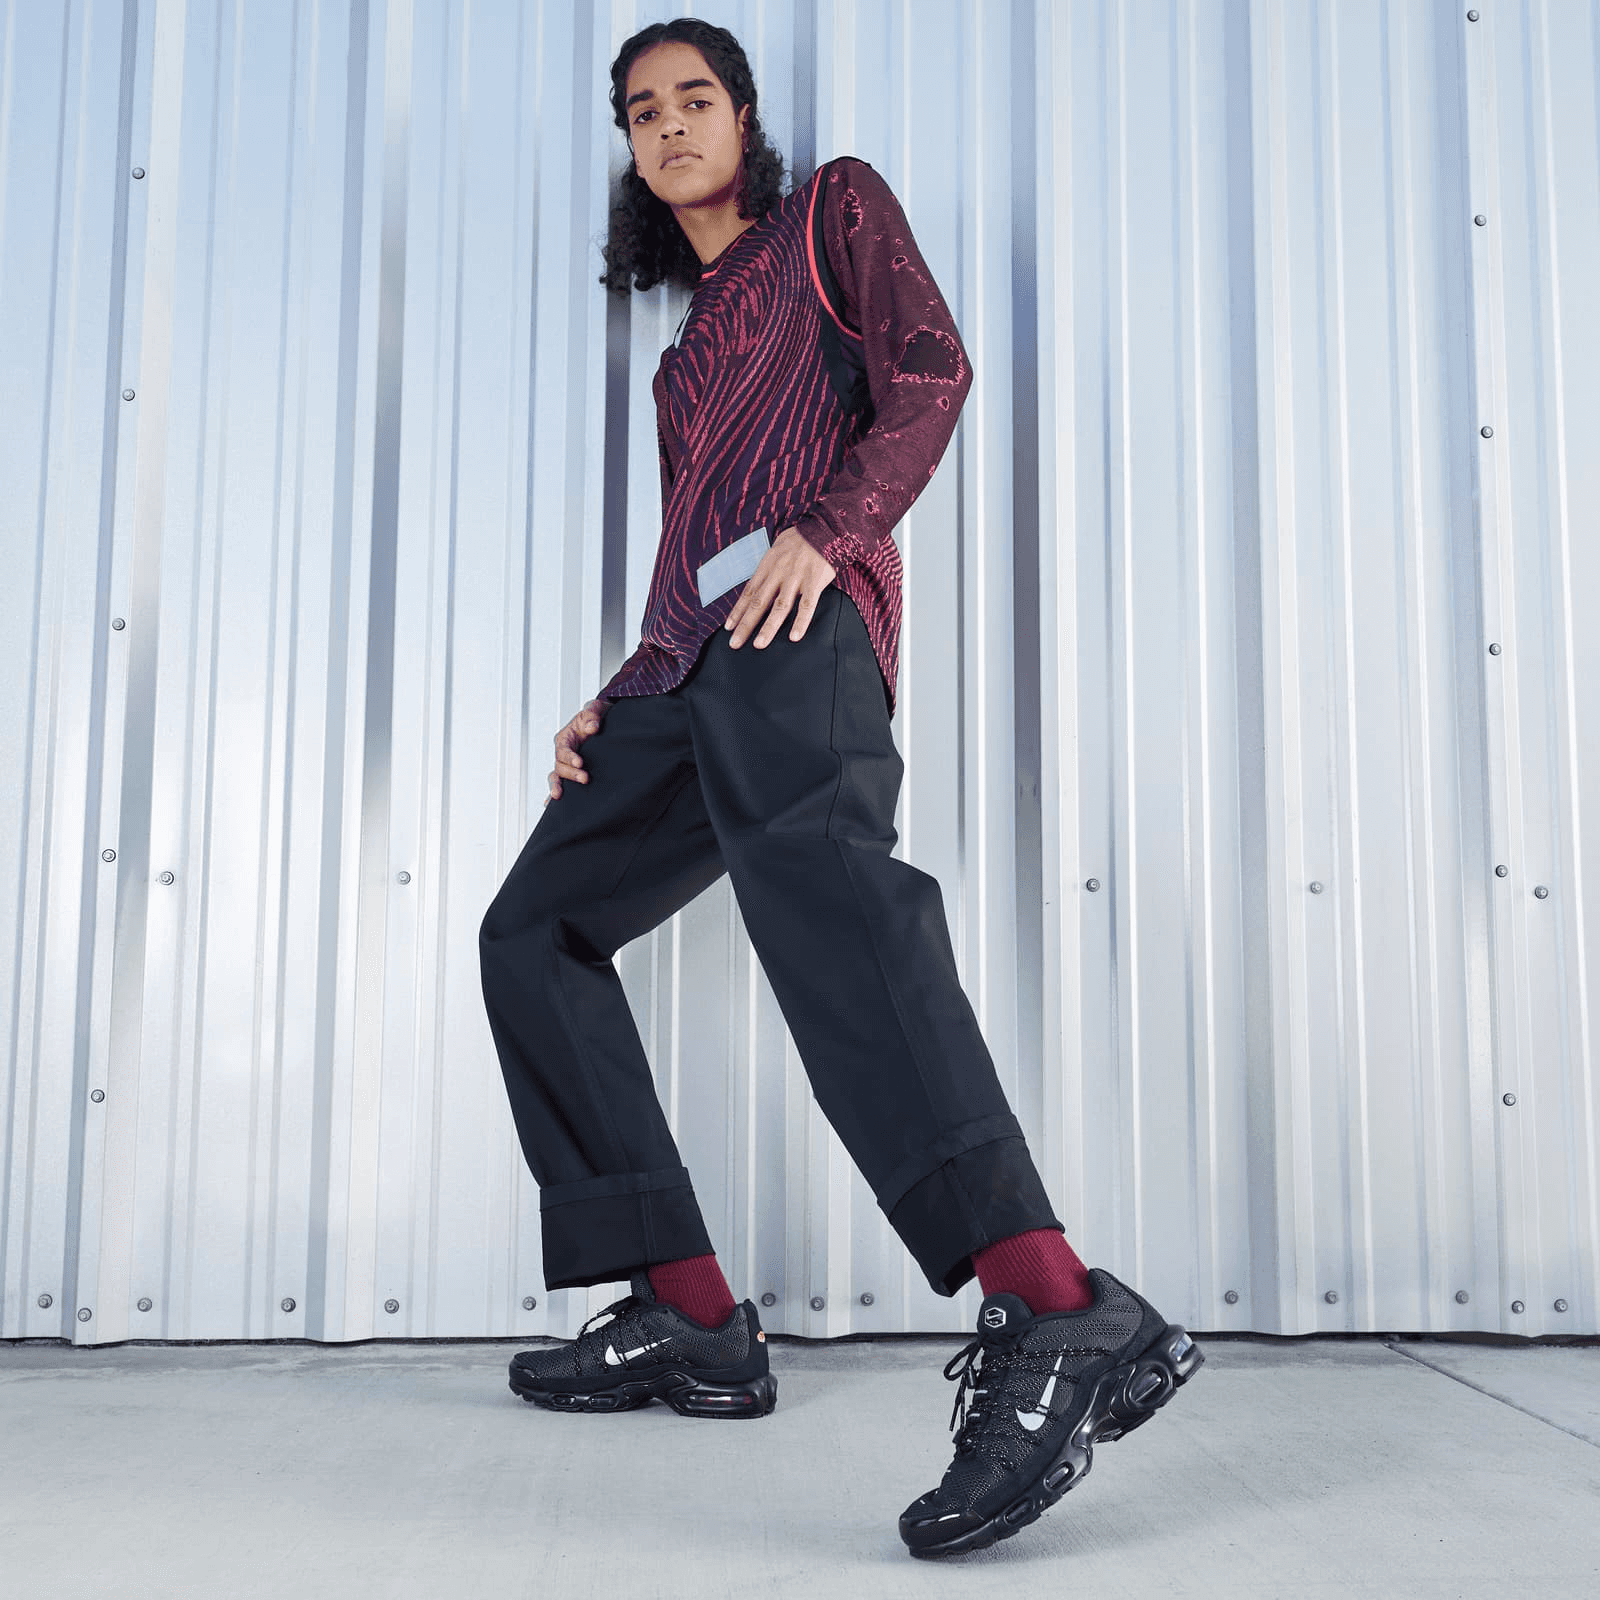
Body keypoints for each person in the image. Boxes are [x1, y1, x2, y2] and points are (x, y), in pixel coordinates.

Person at [478, 17, 1203, 1559]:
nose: (670, 126)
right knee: (531, 931)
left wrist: (835, 527)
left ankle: (1055, 1302)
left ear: (744, 118)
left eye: (695, 98)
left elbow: (929, 372)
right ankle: (693, 1317)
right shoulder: (683, 361)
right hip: (688, 668)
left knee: (830, 907)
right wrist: (618, 692)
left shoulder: (832, 214)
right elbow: (687, 551)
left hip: (803, 629)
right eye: (641, 112)